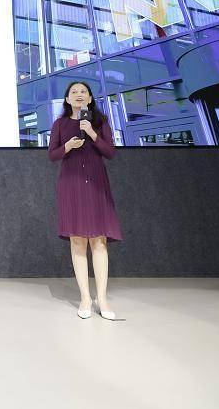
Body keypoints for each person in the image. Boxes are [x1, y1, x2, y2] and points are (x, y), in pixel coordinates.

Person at [48, 81, 122, 320]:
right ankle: (85, 298)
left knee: (99, 241)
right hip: (71, 185)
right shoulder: (59, 124)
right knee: (78, 241)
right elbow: (52, 155)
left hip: (96, 185)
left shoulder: (100, 122)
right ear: (67, 99)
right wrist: (68, 146)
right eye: (74, 92)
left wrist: (91, 133)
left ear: (90, 99)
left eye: (83, 92)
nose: (79, 95)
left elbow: (110, 152)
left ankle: (102, 298)